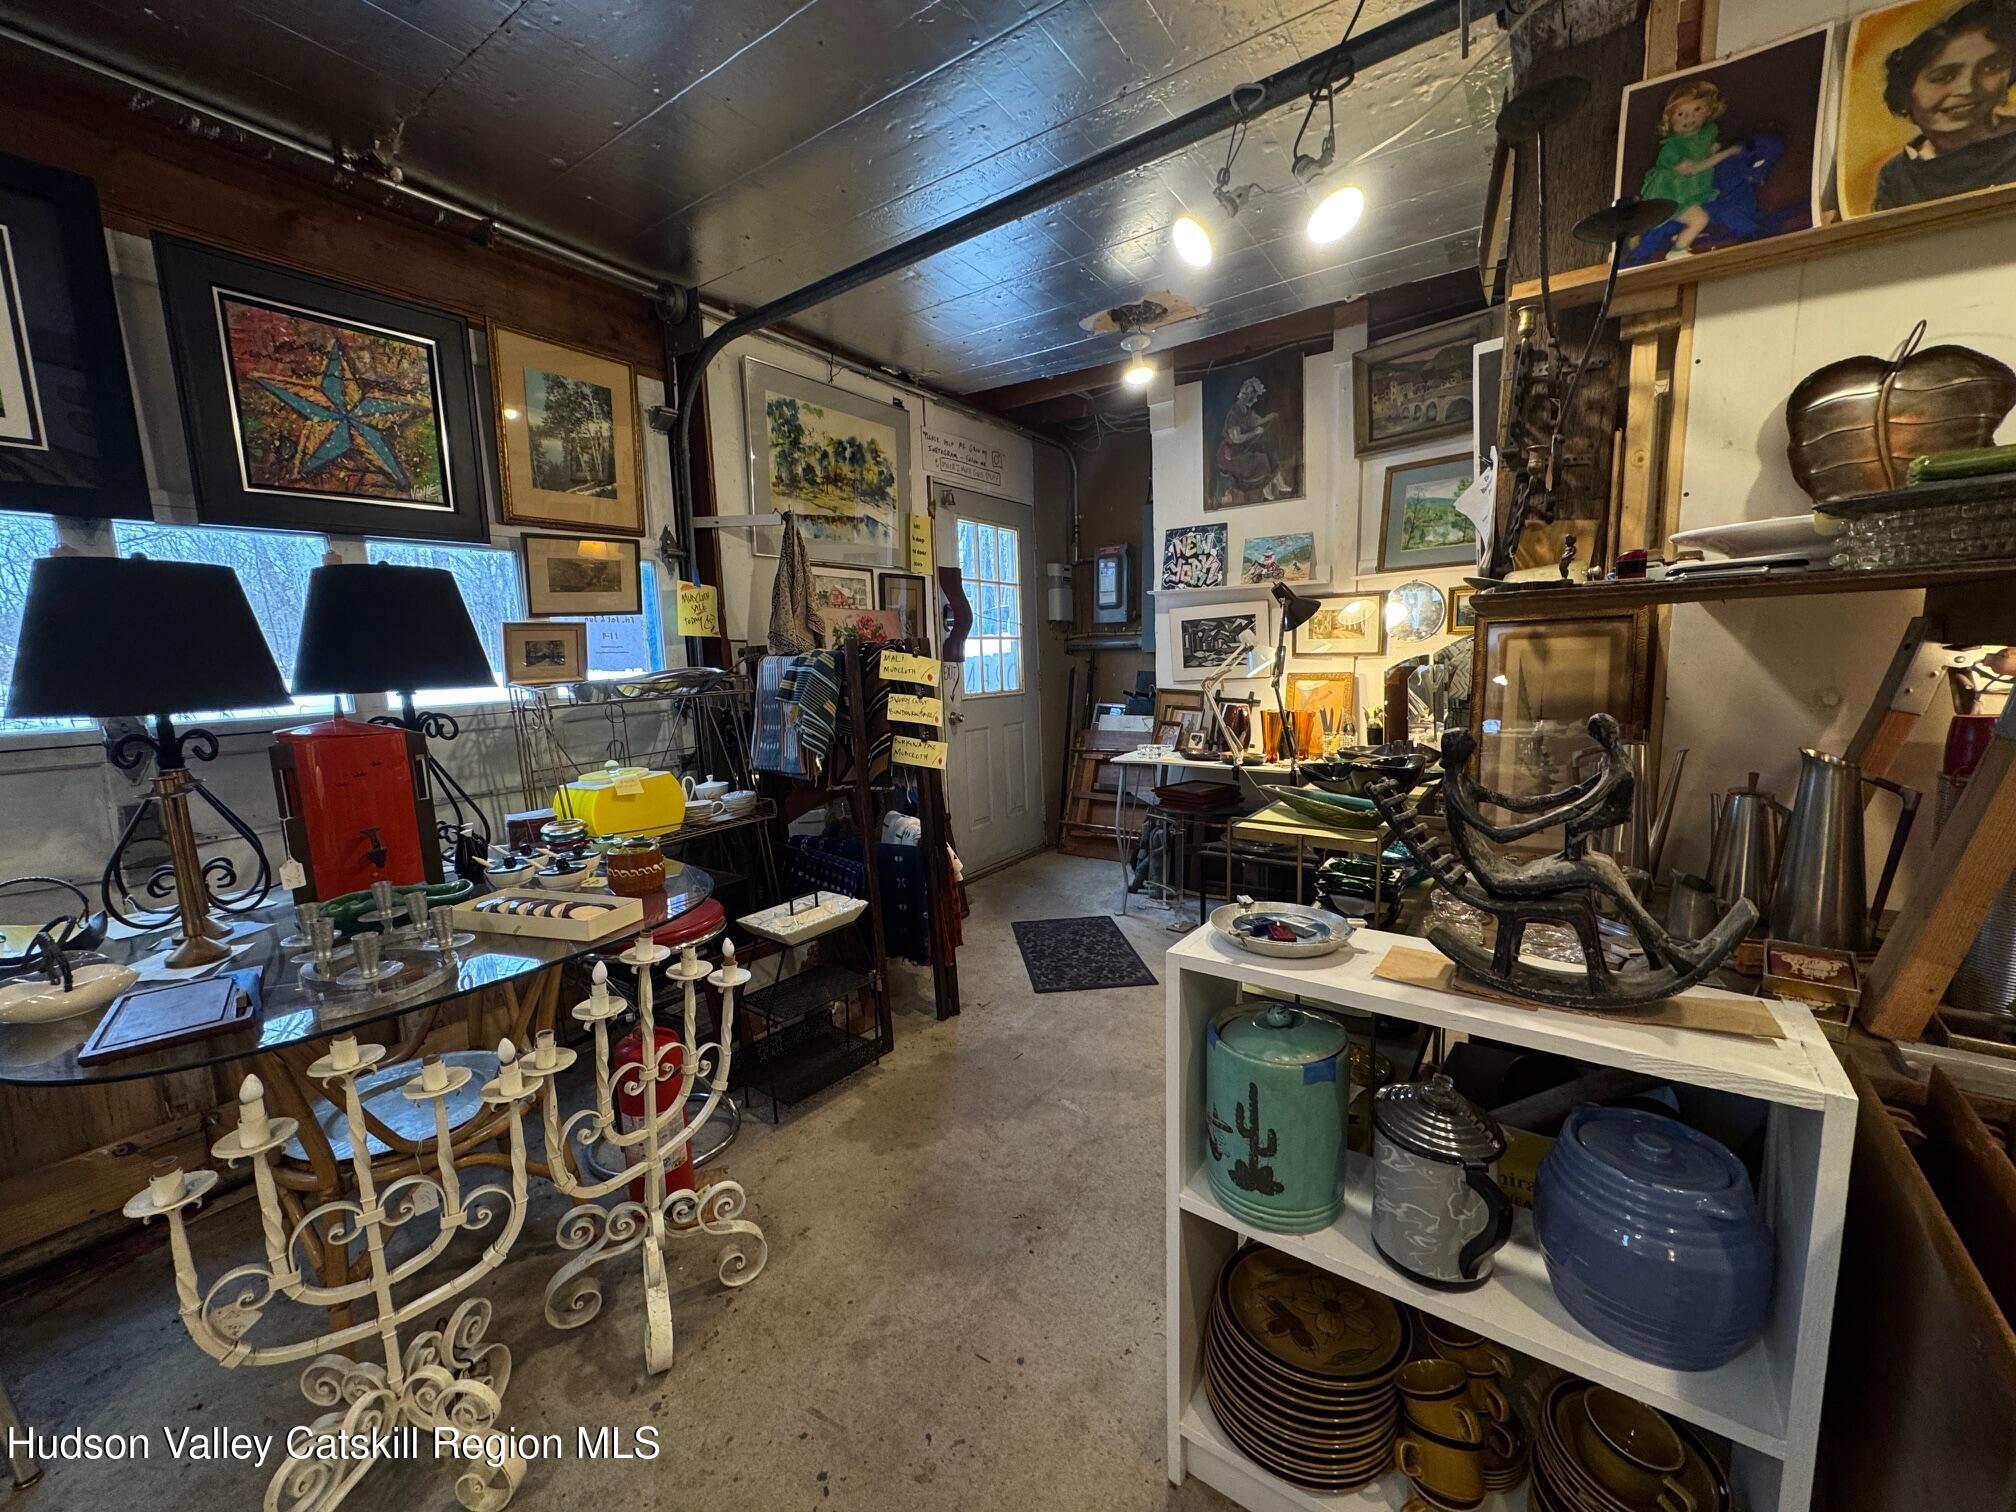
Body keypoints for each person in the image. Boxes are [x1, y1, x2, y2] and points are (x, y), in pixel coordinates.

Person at [1873, 0, 2016, 210]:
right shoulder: (1896, 176)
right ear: (1905, 92)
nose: (1968, 88)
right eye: (1943, 77)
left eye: (1992, 67)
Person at [1638, 79, 1745, 258]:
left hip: (1690, 188)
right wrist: (1725, 154)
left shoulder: (1704, 134)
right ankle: (1676, 251)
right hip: (1672, 194)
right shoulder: (1673, 147)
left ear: (1709, 110)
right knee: (1700, 219)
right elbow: (1693, 169)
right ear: (1670, 120)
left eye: (1697, 110)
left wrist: (1712, 150)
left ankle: (1680, 236)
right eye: (1681, 114)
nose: (1689, 118)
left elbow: (1702, 152)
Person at [1212, 376, 1295, 504]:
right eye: (1253, 394)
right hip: (1229, 455)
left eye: (1256, 395)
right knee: (1259, 460)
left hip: (1242, 450)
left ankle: (1276, 483)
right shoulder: (1234, 413)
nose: (1255, 398)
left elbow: (1258, 421)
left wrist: (1271, 417)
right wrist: (1254, 432)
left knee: (1269, 452)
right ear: (1245, 393)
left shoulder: (1247, 411)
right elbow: (1236, 438)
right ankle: (1267, 488)